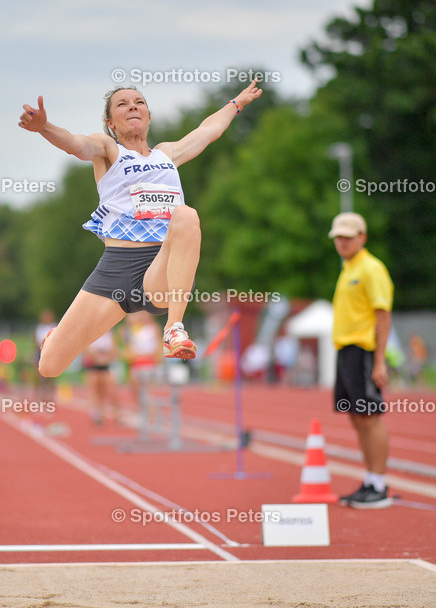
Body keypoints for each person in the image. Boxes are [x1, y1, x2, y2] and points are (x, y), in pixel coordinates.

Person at [19, 79, 263, 377]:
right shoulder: (108, 149)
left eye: (139, 102)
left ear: (148, 116)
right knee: (49, 367)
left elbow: (208, 130)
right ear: (111, 122)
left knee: (186, 216)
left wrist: (236, 103)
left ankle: (174, 328)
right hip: (115, 270)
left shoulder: (167, 154)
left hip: (160, 269)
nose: (132, 105)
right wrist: (44, 127)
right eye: (122, 104)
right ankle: (54, 338)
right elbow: (76, 144)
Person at [329, 213, 394, 509]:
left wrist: (380, 361)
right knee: (356, 417)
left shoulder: (371, 269)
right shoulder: (347, 268)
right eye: (338, 237)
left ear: (362, 237)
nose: (342, 241)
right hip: (345, 351)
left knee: (370, 416)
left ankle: (379, 484)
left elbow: (383, 315)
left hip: (364, 351)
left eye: (348, 236)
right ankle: (369, 480)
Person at [123, 311, 163, 410]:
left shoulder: (154, 328)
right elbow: (127, 340)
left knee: (148, 390)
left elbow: (158, 348)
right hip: (136, 362)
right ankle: (140, 409)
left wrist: (153, 357)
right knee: (135, 389)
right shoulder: (134, 329)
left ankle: (151, 412)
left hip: (149, 363)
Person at [82, 329, 120, 426]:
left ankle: (117, 414)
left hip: (106, 366)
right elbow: (88, 353)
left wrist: (104, 358)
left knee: (111, 390)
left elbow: (114, 352)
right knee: (95, 390)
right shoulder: (90, 335)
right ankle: (98, 413)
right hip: (93, 367)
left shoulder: (109, 335)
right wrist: (98, 358)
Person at [34, 310, 57, 403]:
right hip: (41, 351)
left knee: (53, 375)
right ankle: (40, 394)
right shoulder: (40, 328)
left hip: (52, 351)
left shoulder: (54, 326)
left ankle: (51, 395)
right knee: (40, 375)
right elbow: (37, 341)